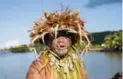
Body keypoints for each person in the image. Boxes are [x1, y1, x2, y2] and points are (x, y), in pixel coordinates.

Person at [26, 8, 90, 79]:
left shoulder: (78, 63)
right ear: (48, 41)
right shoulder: (38, 67)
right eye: (55, 36)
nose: (61, 40)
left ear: (72, 40)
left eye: (65, 35)